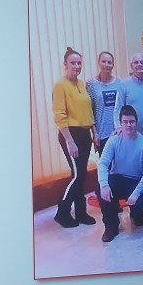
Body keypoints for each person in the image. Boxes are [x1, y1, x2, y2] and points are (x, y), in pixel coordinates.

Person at [51, 46, 96, 228]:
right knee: (77, 175)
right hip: (70, 134)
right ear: (65, 64)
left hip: (84, 134)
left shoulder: (82, 84)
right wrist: (70, 141)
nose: (77, 66)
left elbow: (88, 111)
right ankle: (62, 213)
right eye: (73, 63)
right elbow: (59, 115)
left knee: (81, 174)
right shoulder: (60, 85)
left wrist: (94, 132)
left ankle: (81, 213)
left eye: (79, 63)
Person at [96, 105, 143, 243]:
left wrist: (136, 193)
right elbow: (103, 164)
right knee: (101, 189)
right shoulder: (113, 140)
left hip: (135, 181)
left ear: (136, 122)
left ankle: (136, 213)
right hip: (118, 178)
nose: (128, 125)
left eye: (132, 121)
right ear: (120, 123)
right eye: (125, 122)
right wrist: (104, 185)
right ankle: (111, 227)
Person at [87, 50, 120, 155]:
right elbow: (90, 111)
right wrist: (94, 133)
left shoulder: (119, 83)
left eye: (109, 62)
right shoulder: (91, 84)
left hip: (118, 132)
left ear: (113, 65)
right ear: (98, 63)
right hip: (102, 133)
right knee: (105, 163)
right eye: (104, 61)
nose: (106, 65)